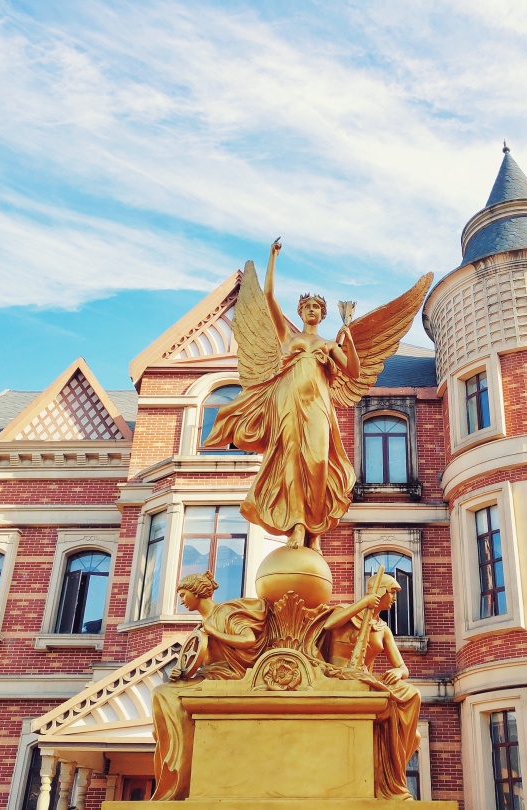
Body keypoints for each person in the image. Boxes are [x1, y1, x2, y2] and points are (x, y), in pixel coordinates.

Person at [205, 240, 360, 552]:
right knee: (291, 459)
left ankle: (316, 530)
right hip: (287, 402)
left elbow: (353, 371)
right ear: (301, 311)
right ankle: (299, 526)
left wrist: (349, 338)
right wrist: (272, 259)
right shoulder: (288, 337)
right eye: (307, 307)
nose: (312, 310)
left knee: (317, 463)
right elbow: (268, 297)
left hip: (318, 405)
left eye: (317, 307)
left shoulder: (330, 345)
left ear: (324, 314)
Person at [150, 572, 267, 801]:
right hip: (210, 675)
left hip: (231, 676)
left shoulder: (224, 613)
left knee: (165, 695)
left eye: (183, 595)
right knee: (162, 693)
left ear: (196, 593)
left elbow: (248, 640)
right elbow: (200, 660)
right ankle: (173, 760)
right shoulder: (201, 625)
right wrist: (181, 672)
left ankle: (180, 771)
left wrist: (215, 632)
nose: (181, 601)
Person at [320, 573, 421, 800]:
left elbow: (402, 667)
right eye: (392, 592)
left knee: (412, 697)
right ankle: (389, 774)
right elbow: (328, 625)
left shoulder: (383, 629)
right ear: (380, 591)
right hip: (339, 675)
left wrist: (398, 671)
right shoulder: (346, 613)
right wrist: (362, 604)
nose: (394, 597)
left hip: (364, 678)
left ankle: (391, 775)